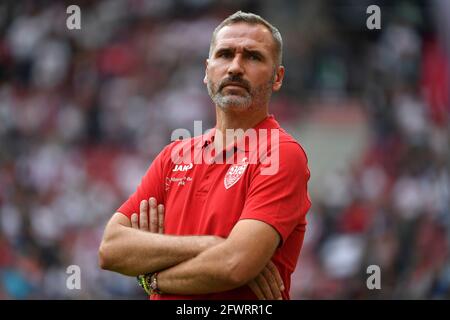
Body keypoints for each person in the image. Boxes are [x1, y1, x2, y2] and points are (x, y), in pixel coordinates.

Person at [98, 11, 311, 300]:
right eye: (224, 55)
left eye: (253, 57)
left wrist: (151, 277)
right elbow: (111, 249)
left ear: (277, 78)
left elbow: (234, 265)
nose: (235, 67)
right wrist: (212, 245)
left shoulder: (281, 154)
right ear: (207, 70)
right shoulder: (173, 155)